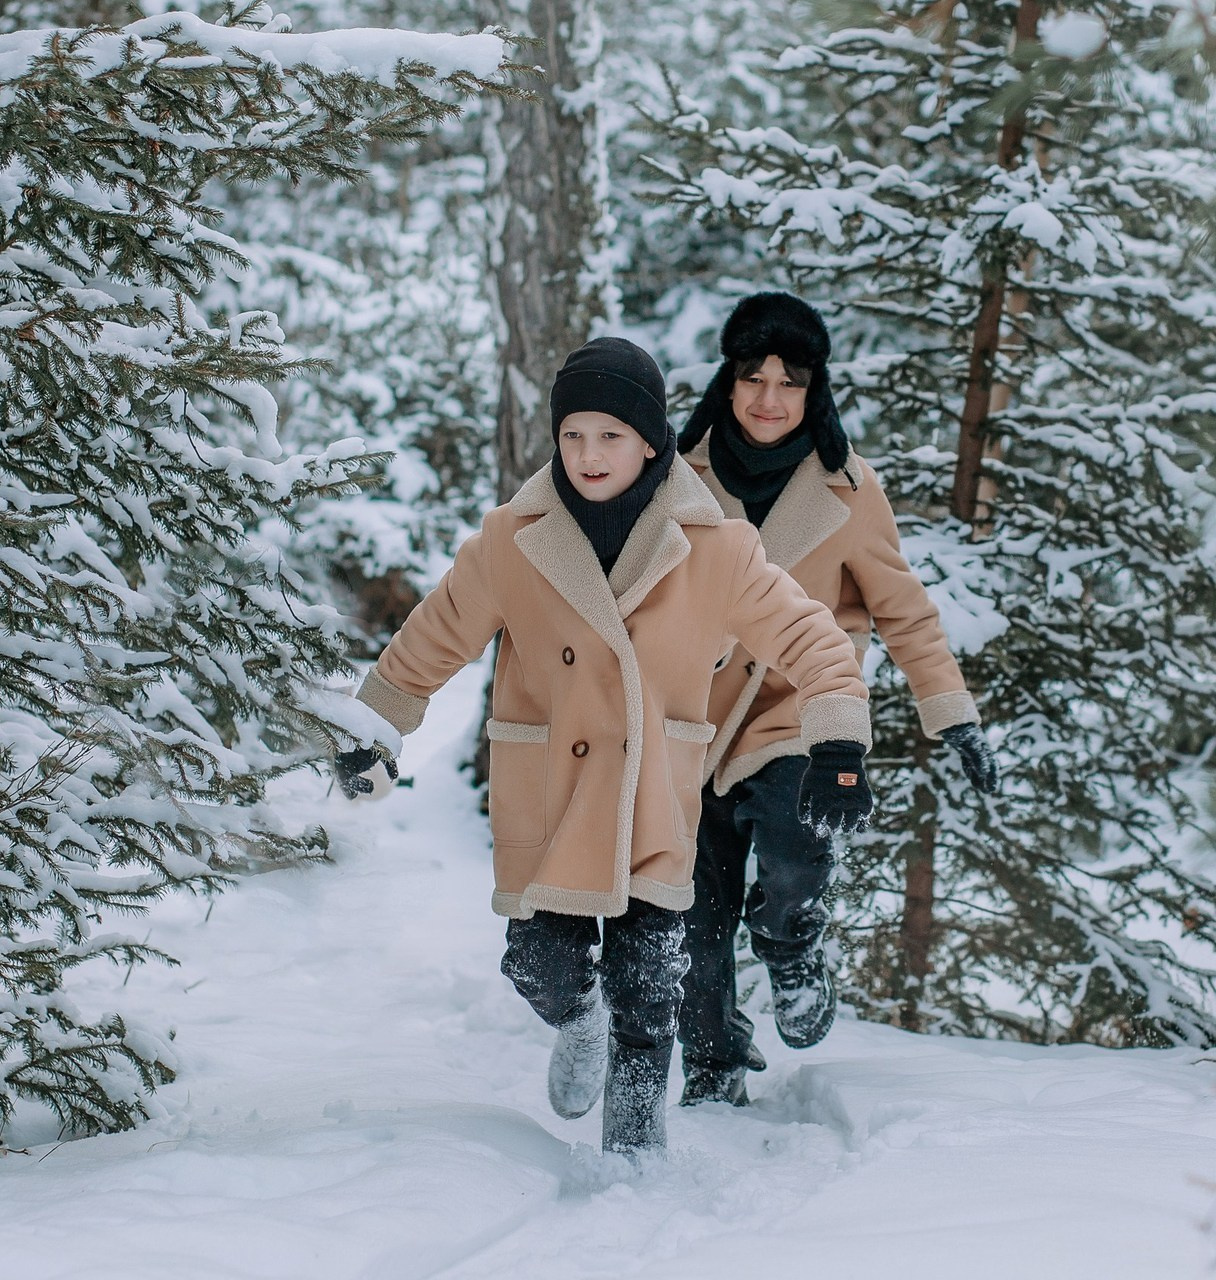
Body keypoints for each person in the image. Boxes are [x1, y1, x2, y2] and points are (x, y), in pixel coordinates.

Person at [333, 336, 874, 1158]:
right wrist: (378, 728)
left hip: (656, 801)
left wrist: (837, 740)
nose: (589, 454)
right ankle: (577, 1022)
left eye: (611, 435)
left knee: (650, 989)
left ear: (651, 440)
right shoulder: (513, 540)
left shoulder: (717, 547)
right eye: (574, 434)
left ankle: (634, 1154)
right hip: (554, 802)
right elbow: (432, 638)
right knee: (542, 968)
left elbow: (812, 637)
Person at [674, 293, 999, 1107]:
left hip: (800, 715)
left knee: (794, 852)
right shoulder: (679, 477)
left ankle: (791, 947)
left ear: (814, 390)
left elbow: (903, 611)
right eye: (753, 377)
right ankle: (713, 1067)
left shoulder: (850, 490)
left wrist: (950, 713)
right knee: (693, 921)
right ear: (729, 381)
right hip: (691, 724)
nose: (769, 398)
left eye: (789, 380)